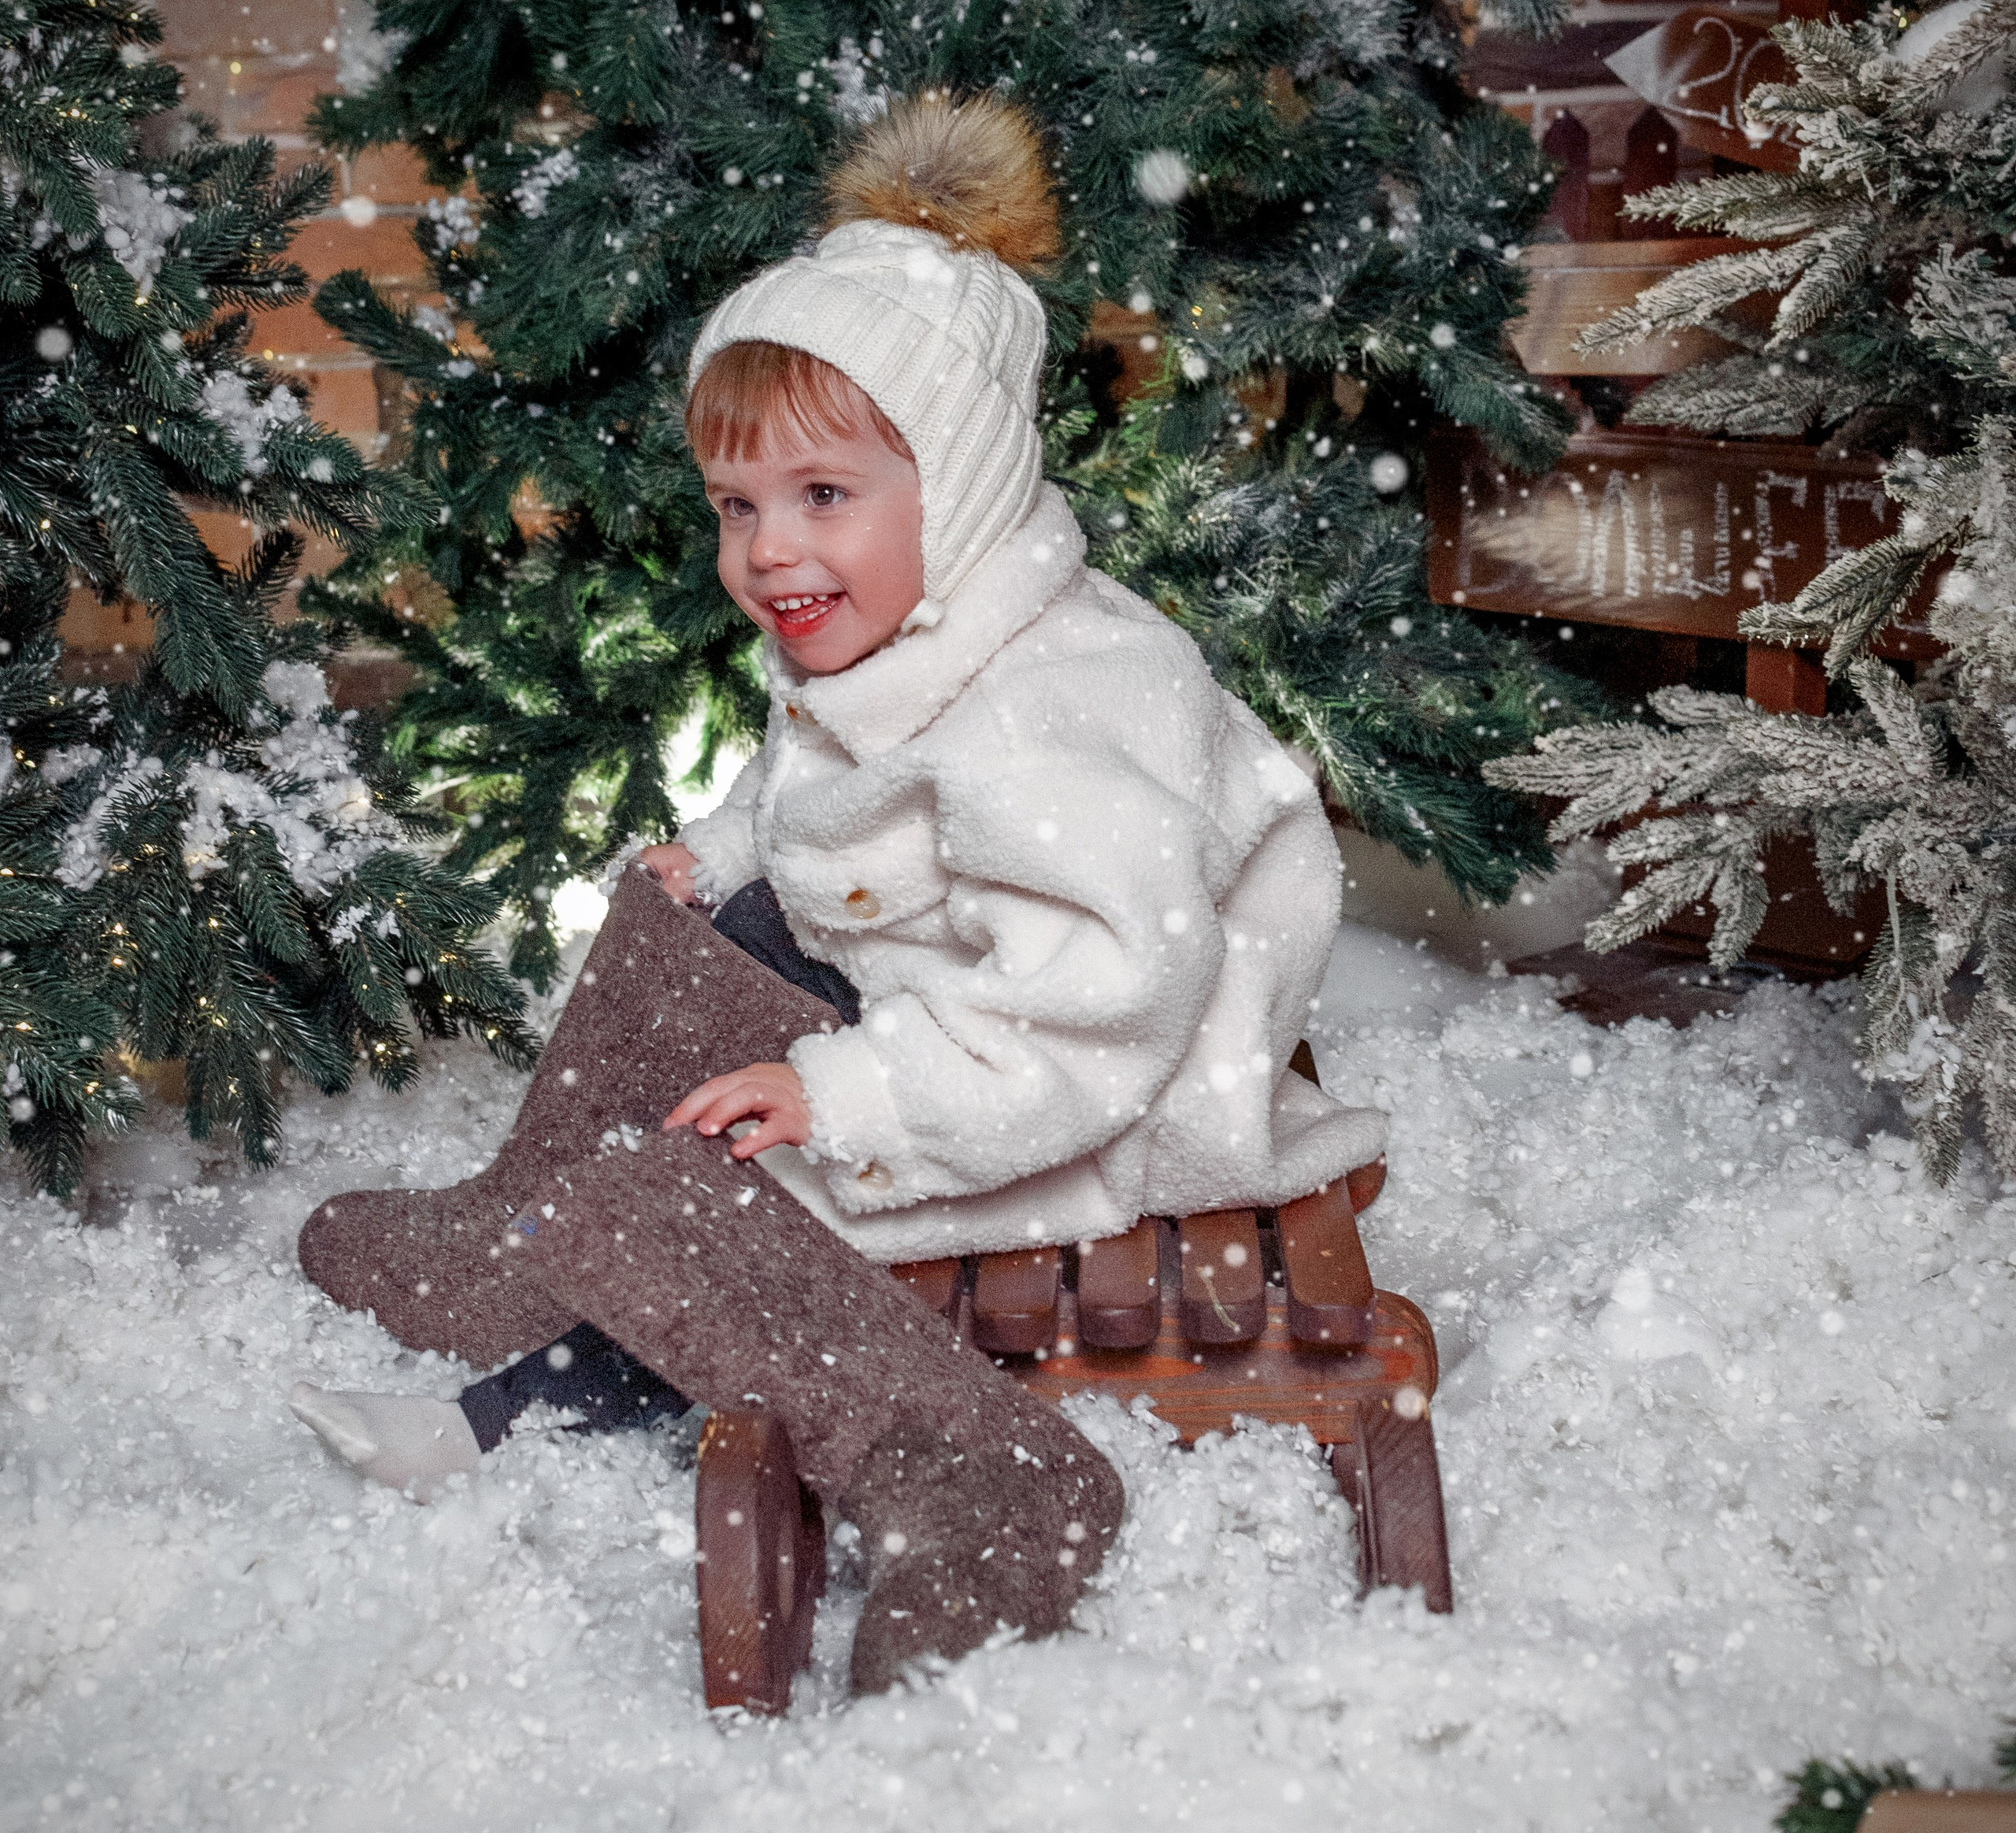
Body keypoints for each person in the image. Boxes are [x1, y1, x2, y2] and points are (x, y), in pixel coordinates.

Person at [289, 94, 1386, 1695]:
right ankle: (507, 1239)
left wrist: (841, 1090)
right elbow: (817, 780)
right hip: (970, 983)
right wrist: (726, 859)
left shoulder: (1043, 713)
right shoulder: (911, 630)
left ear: (960, 484)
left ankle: (986, 1483)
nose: (767, 551)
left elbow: (1102, 1003)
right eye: (739, 505)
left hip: (1096, 1077)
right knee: (673, 932)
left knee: (681, 1201)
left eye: (821, 496)